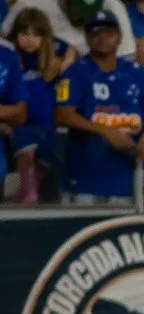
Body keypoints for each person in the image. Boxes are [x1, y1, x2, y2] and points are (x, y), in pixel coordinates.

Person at [55, 10, 144, 204]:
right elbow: (62, 115)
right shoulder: (76, 72)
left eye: (108, 32)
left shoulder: (138, 74)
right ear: (87, 37)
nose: (102, 37)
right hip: (85, 178)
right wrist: (107, 131)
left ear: (119, 36)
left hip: (126, 178)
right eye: (95, 32)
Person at [8, 7, 70, 204]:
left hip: (48, 121)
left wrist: (68, 58)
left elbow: (74, 46)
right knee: (26, 155)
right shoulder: (10, 56)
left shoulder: (52, 54)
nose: (29, 39)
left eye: (36, 34)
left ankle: (28, 193)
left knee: (45, 159)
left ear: (45, 36)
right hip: (22, 122)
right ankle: (28, 193)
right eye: (24, 33)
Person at [1, 0, 136, 59]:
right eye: (79, 12)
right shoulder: (30, 3)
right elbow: (4, 36)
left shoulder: (113, 7)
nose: (83, 20)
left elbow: (126, 56)